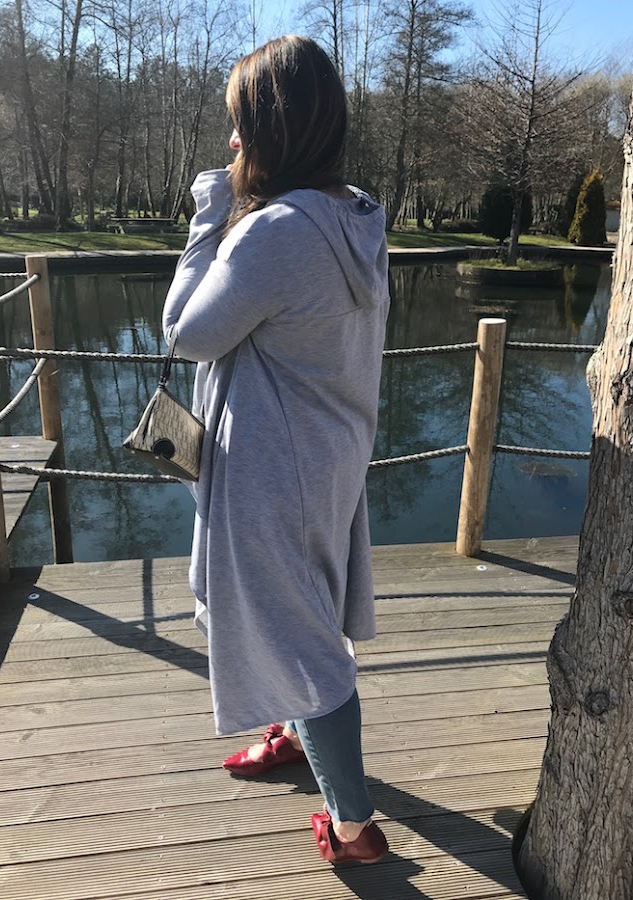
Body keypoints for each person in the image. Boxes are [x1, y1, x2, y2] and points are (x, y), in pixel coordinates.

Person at [162, 34, 390, 865]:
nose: (230, 142)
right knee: (292, 610)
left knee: (301, 640)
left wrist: (208, 214)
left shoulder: (278, 232)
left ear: (273, 130)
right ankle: (293, 732)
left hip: (270, 469)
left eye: (240, 125)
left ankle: (355, 829)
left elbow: (187, 333)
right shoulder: (354, 213)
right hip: (324, 454)